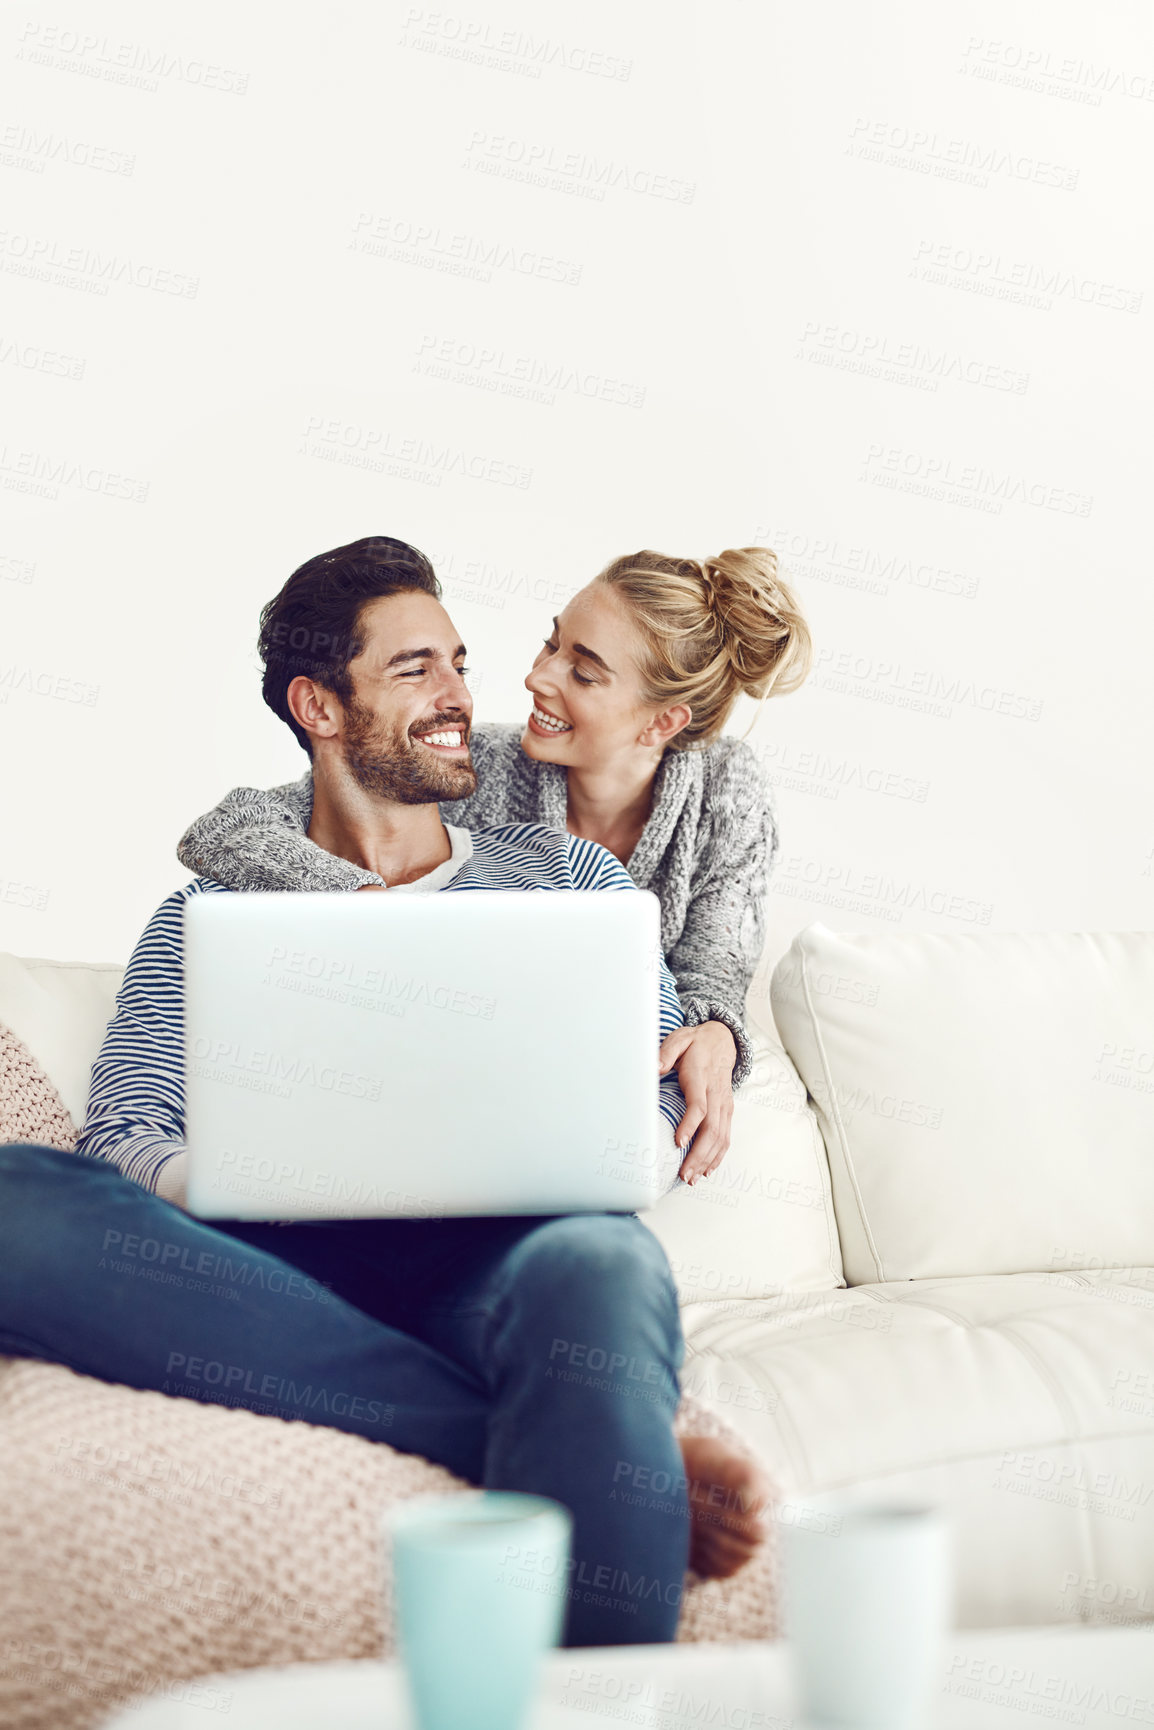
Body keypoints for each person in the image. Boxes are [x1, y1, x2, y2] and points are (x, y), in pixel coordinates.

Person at [0, 536, 773, 1650]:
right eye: (416, 668)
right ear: (318, 703)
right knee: (17, 1197)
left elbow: (649, 1097)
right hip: (269, 1268)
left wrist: (661, 1097)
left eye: (458, 659)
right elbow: (123, 1128)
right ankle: (598, 1453)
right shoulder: (207, 913)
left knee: (599, 1257)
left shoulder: (571, 878)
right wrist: (226, 1178)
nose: (464, 694)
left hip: (497, 1263)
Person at [178, 539, 812, 1183]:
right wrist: (364, 901)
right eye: (552, 644)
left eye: (584, 672)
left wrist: (714, 1028)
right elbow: (231, 828)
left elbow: (713, 963)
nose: (537, 677)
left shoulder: (727, 790)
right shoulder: (478, 762)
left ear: (661, 723)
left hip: (611, 1071)